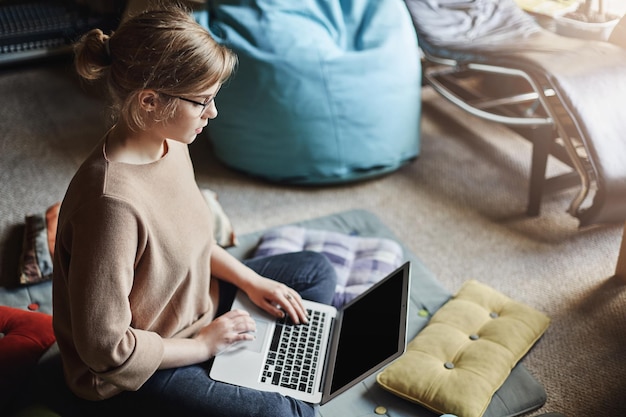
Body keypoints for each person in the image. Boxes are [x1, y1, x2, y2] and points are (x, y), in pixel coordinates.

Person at [49, 4, 337, 417]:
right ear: (149, 101)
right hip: (140, 368)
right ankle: (238, 372)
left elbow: (191, 243)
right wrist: (204, 346)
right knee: (282, 413)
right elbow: (105, 350)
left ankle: (253, 368)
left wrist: (253, 282)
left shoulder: (172, 143)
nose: (213, 113)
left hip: (198, 306)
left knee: (315, 271)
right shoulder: (110, 206)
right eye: (202, 102)